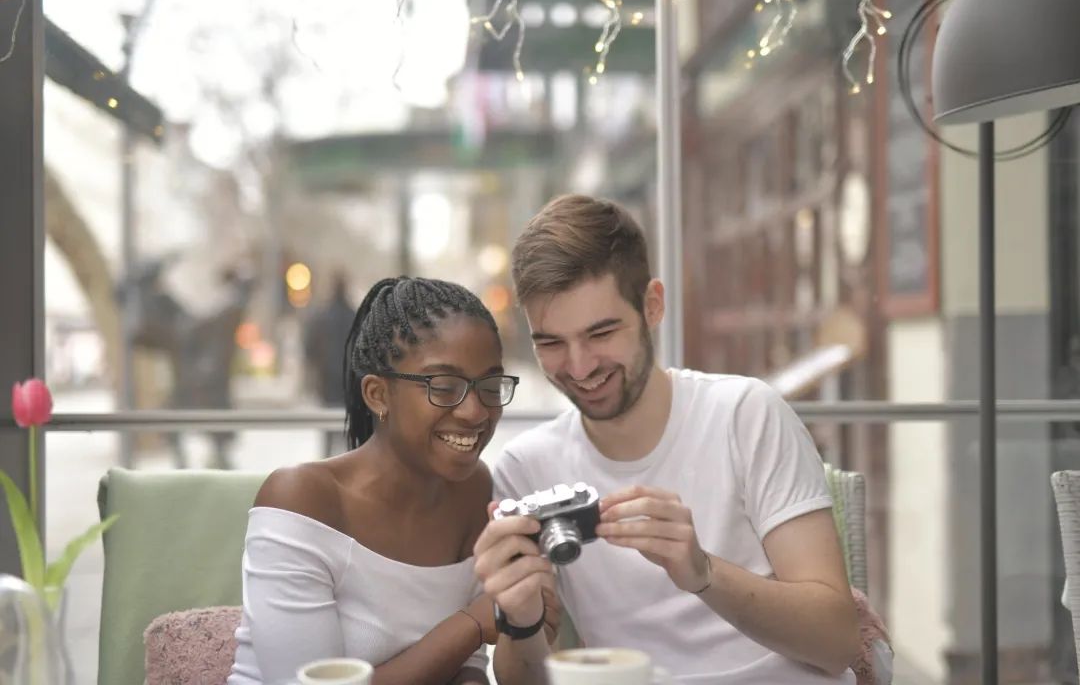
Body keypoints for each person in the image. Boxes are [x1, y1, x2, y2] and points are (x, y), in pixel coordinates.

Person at [473, 195, 861, 684]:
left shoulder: (745, 414)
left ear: (652, 305)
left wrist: (703, 573)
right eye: (550, 342)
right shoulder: (526, 468)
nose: (579, 366)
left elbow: (838, 641)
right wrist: (520, 616)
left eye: (602, 332)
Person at [228, 276, 555, 685]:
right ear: (378, 395)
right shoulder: (302, 499)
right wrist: (472, 624)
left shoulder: (475, 492)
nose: (475, 411)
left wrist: (522, 623)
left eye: (489, 385)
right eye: (444, 386)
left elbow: (466, 669)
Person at [303, 272, 357, 457]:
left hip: (326, 380)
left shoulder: (320, 316)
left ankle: (327, 464)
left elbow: (309, 349)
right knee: (348, 429)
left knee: (327, 429)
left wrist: (313, 374)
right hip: (349, 380)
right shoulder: (355, 316)